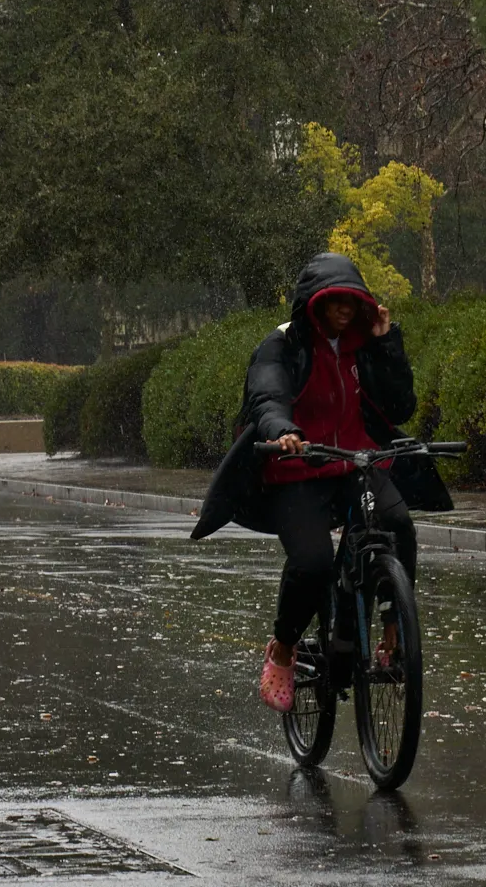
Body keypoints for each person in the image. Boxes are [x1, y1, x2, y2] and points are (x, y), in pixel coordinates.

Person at [189, 253, 452, 712]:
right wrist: (283, 432)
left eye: (352, 302)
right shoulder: (282, 345)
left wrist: (387, 342)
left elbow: (400, 404)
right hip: (299, 470)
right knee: (311, 563)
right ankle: (285, 648)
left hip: (355, 465)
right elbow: (267, 397)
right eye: (335, 302)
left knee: (398, 527)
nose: (344, 311)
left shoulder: (363, 344)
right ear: (314, 303)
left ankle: (394, 629)